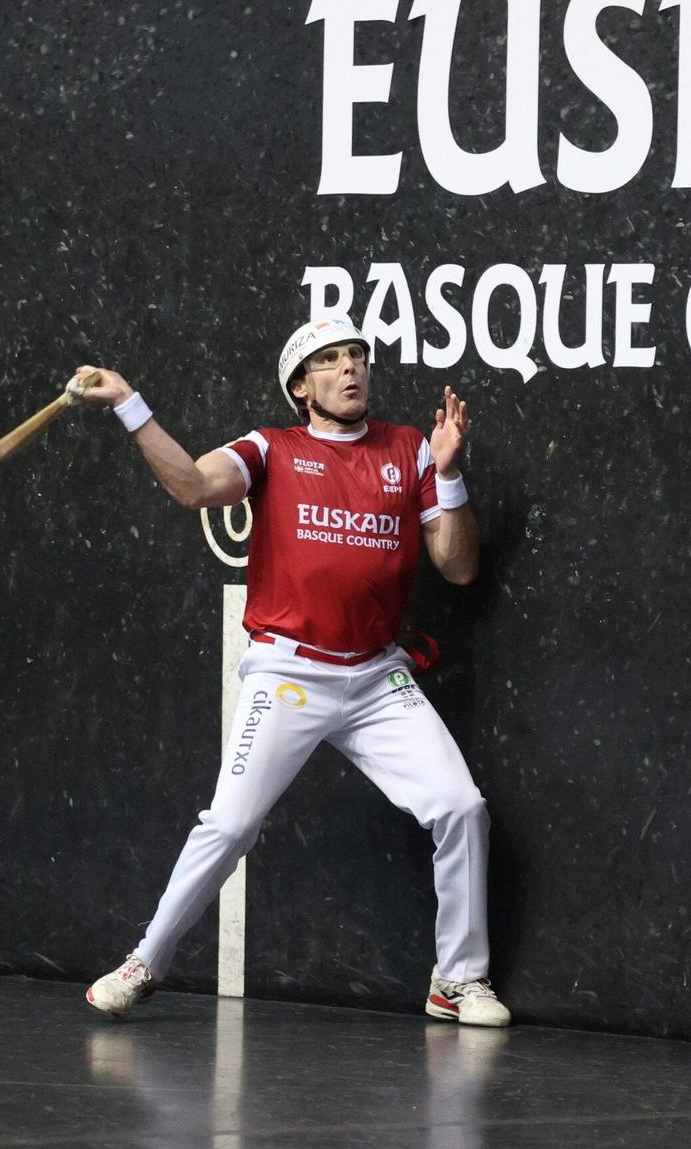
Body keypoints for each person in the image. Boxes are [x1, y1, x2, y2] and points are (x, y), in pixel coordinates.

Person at [74, 317, 509, 1027]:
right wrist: (129, 401)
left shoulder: (411, 451)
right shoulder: (271, 448)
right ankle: (145, 961)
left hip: (376, 679)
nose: (351, 370)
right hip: (288, 673)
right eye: (331, 361)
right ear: (300, 387)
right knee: (231, 824)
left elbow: (458, 565)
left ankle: (458, 979)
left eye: (358, 357)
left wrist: (452, 472)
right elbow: (191, 486)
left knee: (462, 808)